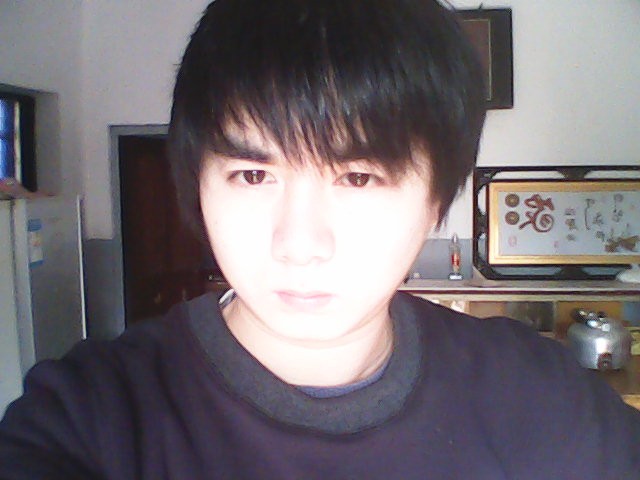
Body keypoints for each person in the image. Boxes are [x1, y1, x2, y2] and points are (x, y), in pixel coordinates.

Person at [1, 0, 639, 478]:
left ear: (436, 202)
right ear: (196, 183)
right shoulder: (91, 420)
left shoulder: (534, 396)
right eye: (253, 175)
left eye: (358, 177)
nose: (299, 244)